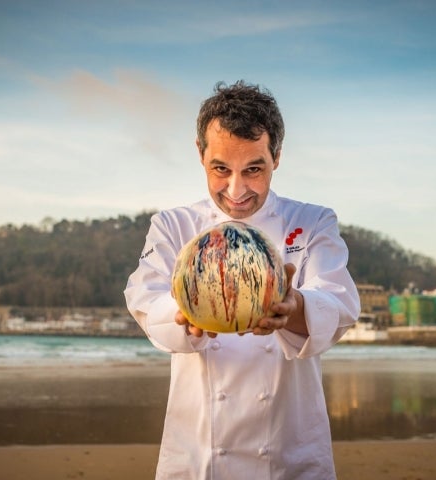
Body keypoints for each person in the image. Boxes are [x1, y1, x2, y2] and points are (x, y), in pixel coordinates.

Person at [124, 80, 360, 479]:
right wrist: (187, 313)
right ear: (200, 155)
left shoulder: (312, 222)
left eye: (253, 169)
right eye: (221, 169)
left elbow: (339, 304)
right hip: (198, 459)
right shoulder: (173, 225)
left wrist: (294, 307)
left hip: (290, 457)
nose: (236, 191)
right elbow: (145, 299)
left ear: (277, 157)